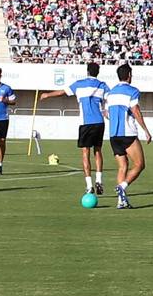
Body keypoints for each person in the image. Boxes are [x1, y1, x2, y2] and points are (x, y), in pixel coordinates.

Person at [40, 64, 110, 197]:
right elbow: (111, 99)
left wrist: (47, 95)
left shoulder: (79, 84)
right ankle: (99, 180)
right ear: (98, 72)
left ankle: (89, 186)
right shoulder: (102, 85)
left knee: (85, 152)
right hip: (99, 123)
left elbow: (62, 92)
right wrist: (106, 109)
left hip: (85, 123)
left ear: (87, 71)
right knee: (98, 151)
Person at [105, 64, 150, 210]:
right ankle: (122, 187)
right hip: (128, 134)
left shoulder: (110, 93)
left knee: (122, 167)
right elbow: (135, 110)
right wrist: (145, 130)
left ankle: (121, 201)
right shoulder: (132, 91)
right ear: (129, 75)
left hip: (113, 135)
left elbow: (106, 113)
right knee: (140, 165)